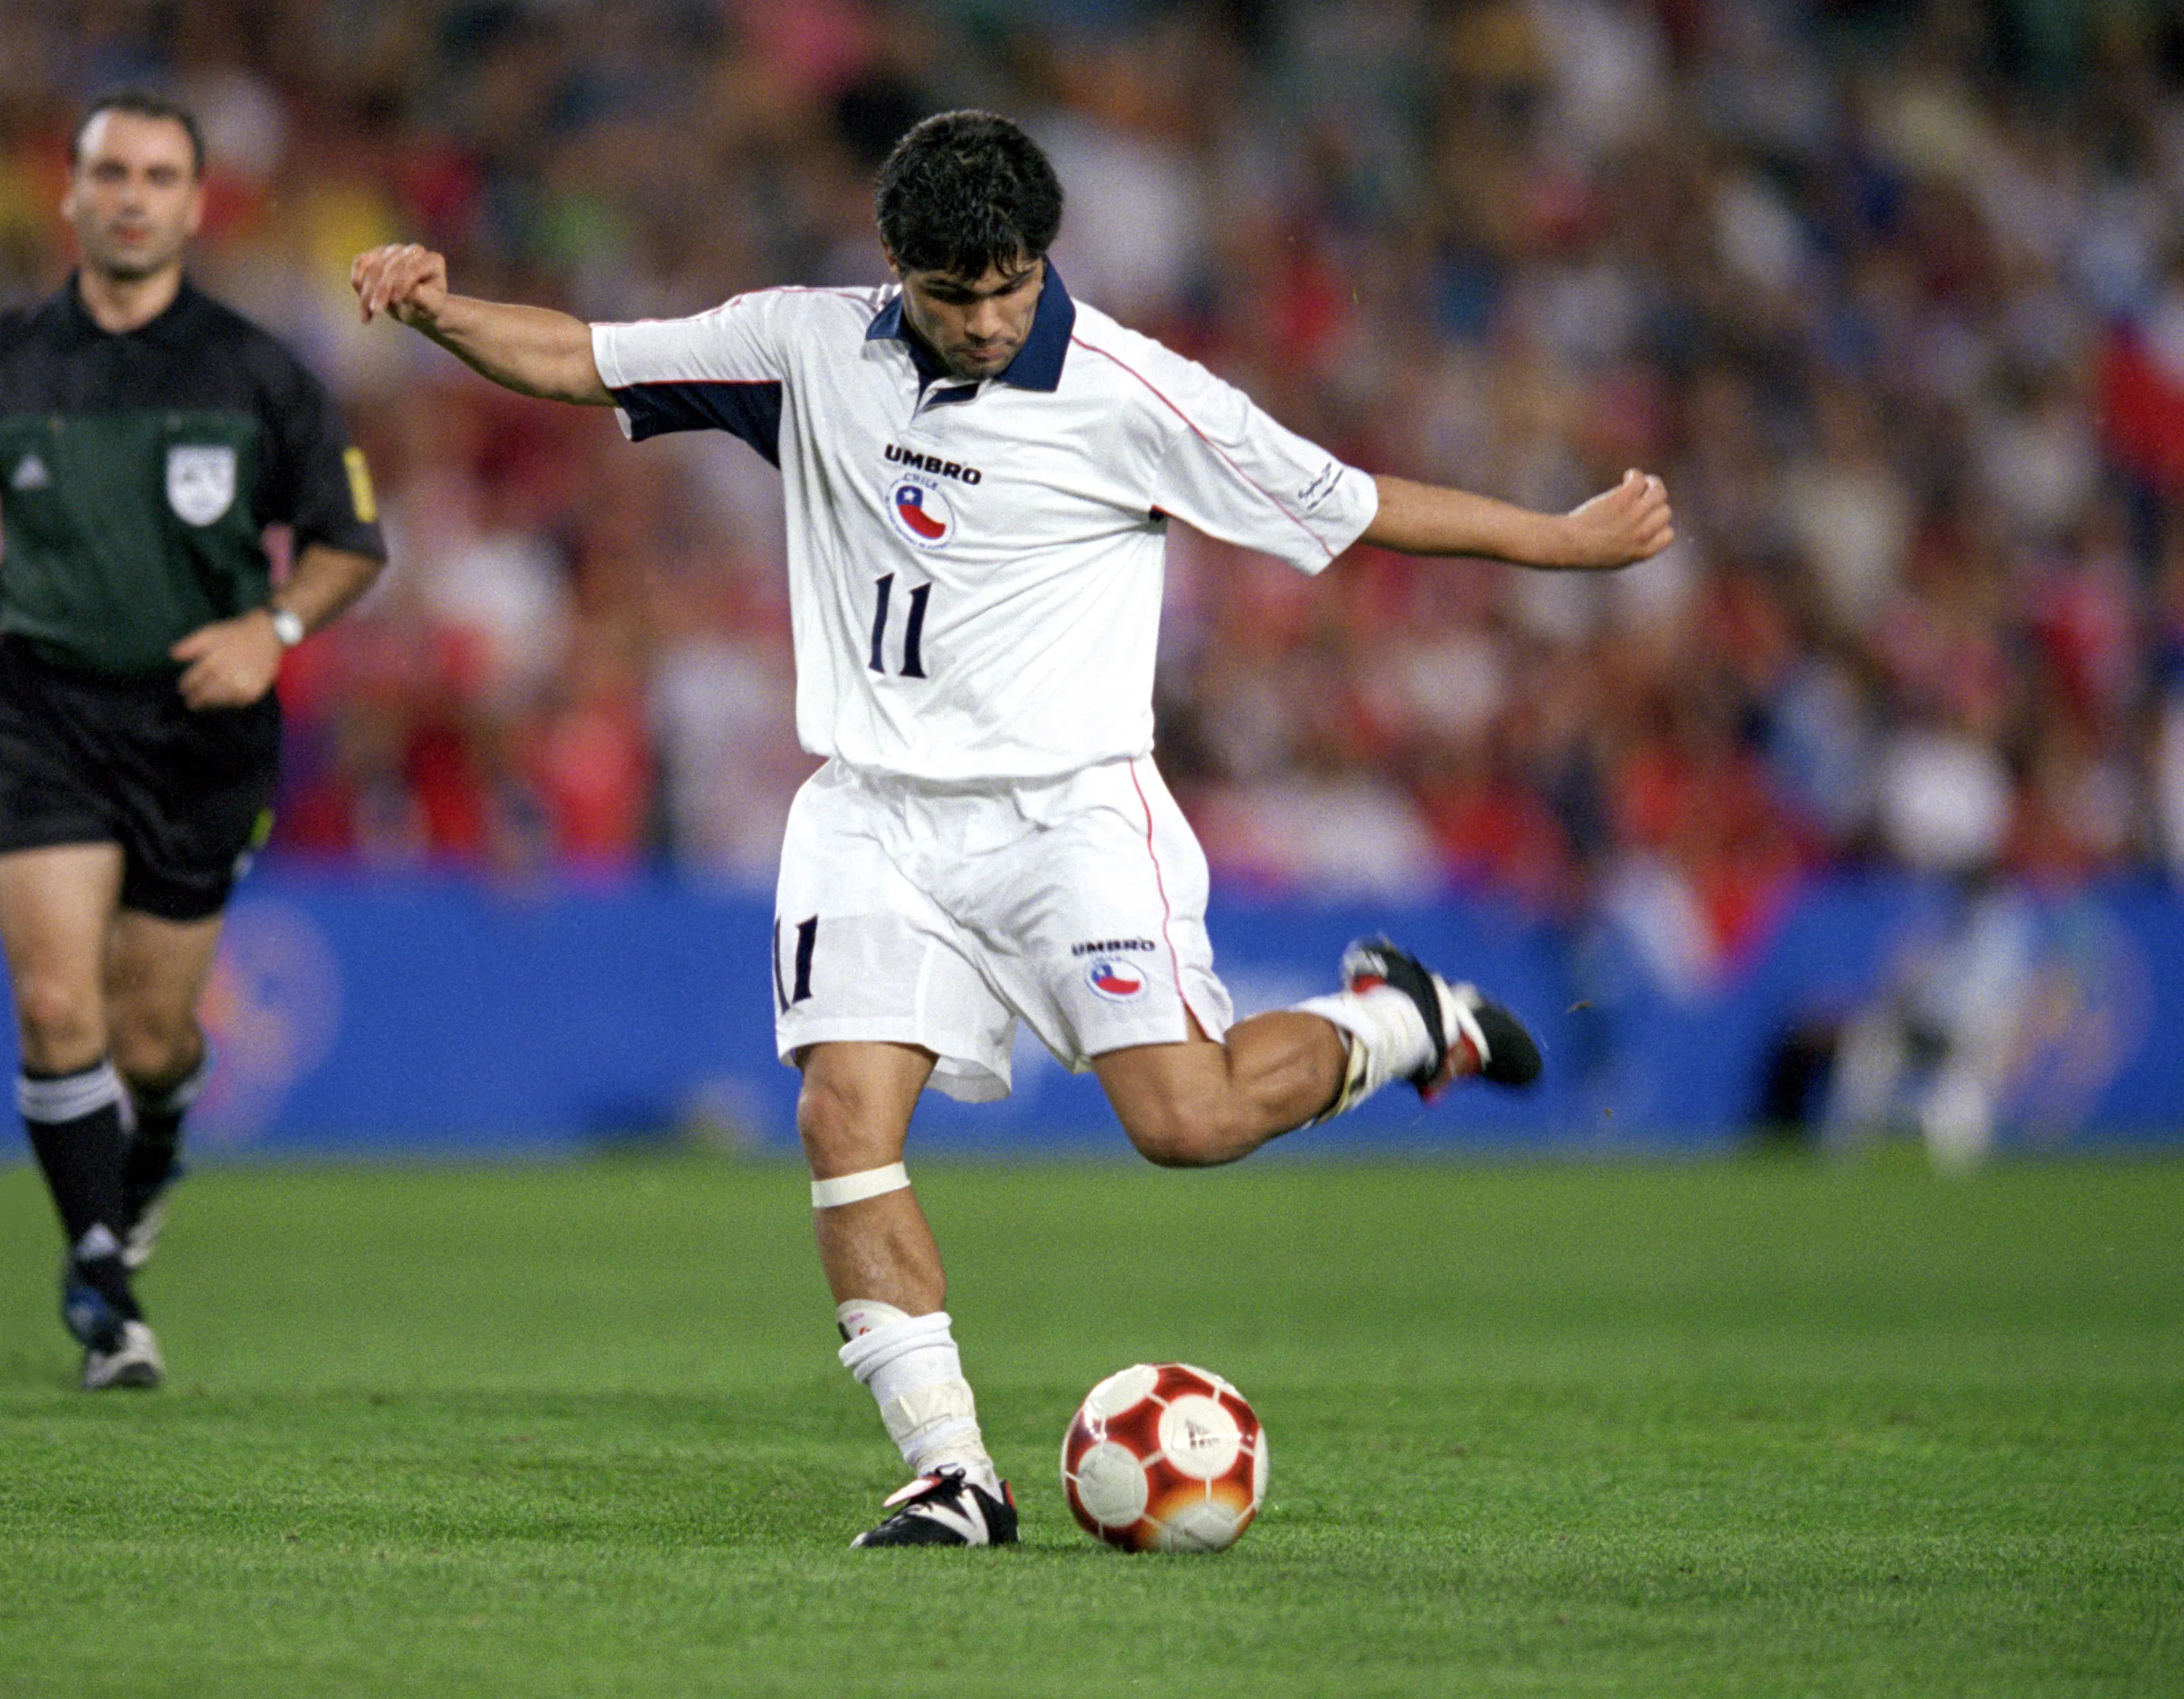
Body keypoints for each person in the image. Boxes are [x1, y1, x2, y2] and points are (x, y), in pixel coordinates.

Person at [352, 109, 1674, 1545]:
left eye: (1012, 286)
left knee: (1188, 1120)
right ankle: (952, 1474)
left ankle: (1399, 1022)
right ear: (894, 269)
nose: (986, 319)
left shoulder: (1133, 392)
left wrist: (1566, 540)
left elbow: (1350, 507)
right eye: (952, 293)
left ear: (1048, 258)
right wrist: (437, 312)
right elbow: (584, 355)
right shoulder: (803, 348)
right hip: (869, 811)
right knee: (841, 1120)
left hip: (1070, 818)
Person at [0, 91, 385, 1390]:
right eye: (109, 173)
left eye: (158, 175)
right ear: (73, 195)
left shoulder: (256, 370)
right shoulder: (3, 361)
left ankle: (144, 1163)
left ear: (197, 205)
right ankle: (102, 1273)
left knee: (153, 1040)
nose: (132, 195)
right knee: (52, 1000)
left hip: (201, 725)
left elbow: (350, 544)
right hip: (44, 710)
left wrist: (273, 628)